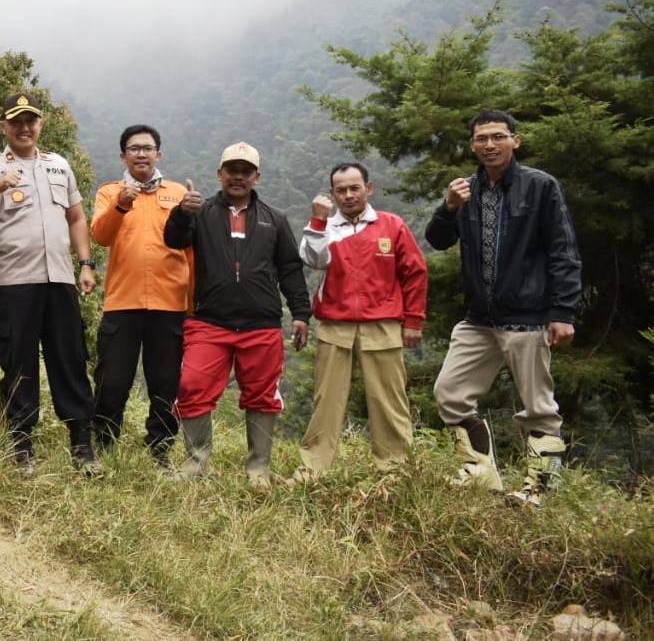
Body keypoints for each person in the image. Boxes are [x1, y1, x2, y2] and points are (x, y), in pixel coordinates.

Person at [426, 109, 582, 506]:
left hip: (527, 317)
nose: (489, 145)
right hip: (480, 318)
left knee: (539, 408)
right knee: (450, 393)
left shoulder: (540, 186)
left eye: (498, 136)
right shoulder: (466, 190)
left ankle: (541, 492)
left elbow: (563, 250)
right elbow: (438, 240)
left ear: (516, 140)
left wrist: (563, 312)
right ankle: (480, 473)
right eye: (481, 139)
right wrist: (448, 207)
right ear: (472, 145)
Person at [0, 92, 101, 475]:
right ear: (4, 126)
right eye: (16, 121)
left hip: (60, 279)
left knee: (70, 360)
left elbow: (76, 217)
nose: (24, 128)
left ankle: (82, 444)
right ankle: (22, 446)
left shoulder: (59, 165)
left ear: (39, 125)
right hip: (13, 282)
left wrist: (85, 264)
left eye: (31, 121)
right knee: (18, 363)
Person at [163, 142, 311, 487]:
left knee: (262, 395)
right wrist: (182, 212)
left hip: (261, 324)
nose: (238, 177)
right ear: (220, 174)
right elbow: (174, 240)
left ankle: (258, 468)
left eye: (246, 171)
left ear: (256, 177)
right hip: (208, 321)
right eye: (232, 170)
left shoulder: (275, 219)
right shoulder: (200, 212)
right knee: (192, 386)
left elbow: (290, 269)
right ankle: (196, 463)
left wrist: (301, 312)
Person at [291, 163, 427, 480]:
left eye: (355, 188)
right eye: (341, 190)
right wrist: (317, 220)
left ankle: (395, 471)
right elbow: (312, 258)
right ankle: (312, 469)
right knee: (326, 400)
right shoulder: (326, 227)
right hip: (335, 324)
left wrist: (414, 320)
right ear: (333, 194)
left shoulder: (391, 225)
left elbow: (415, 273)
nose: (348, 195)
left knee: (388, 400)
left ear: (369, 188)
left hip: (383, 324)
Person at [89, 124, 191, 464]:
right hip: (123, 302)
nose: (142, 154)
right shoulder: (110, 192)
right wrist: (120, 205)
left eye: (148, 148)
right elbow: (100, 236)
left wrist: (194, 303)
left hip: (171, 303)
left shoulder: (178, 194)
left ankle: (160, 450)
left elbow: (192, 251)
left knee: (166, 382)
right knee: (112, 379)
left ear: (159, 154)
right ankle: (104, 445)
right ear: (123, 155)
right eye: (134, 148)